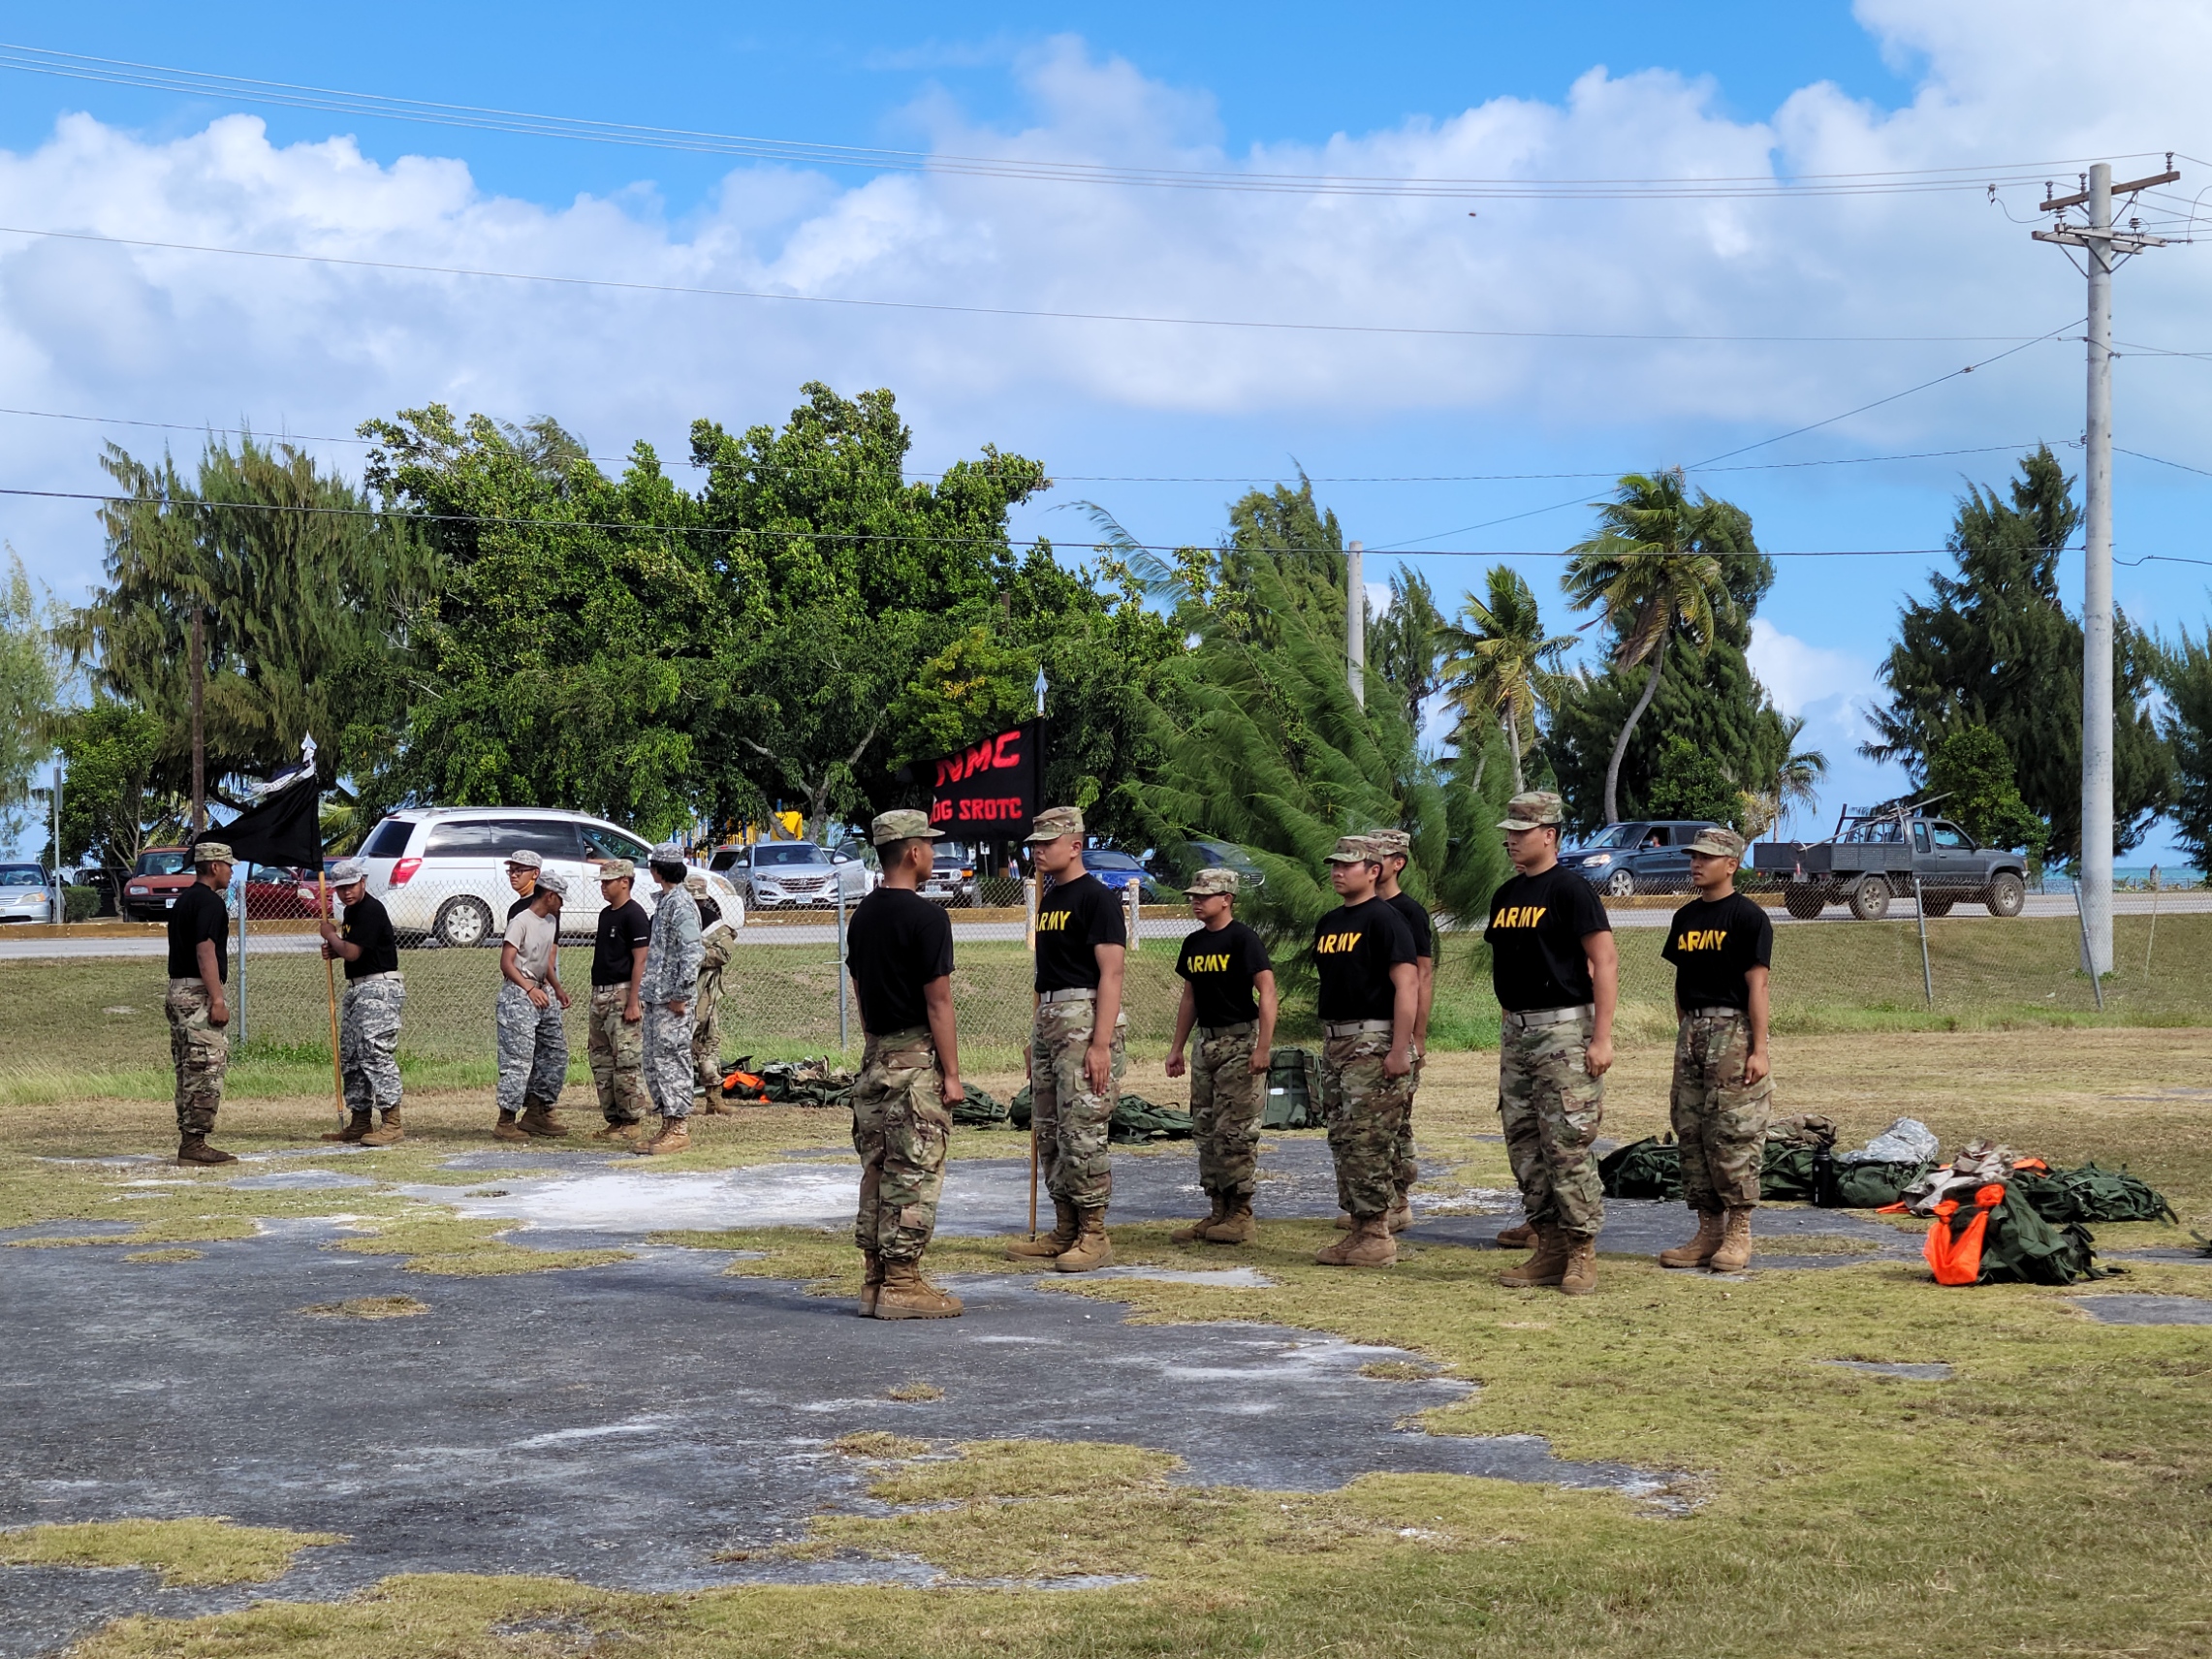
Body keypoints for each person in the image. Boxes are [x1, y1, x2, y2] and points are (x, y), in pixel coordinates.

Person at [1484, 791, 1618, 1296]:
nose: (1512, 842)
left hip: (1564, 1029)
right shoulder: (1506, 895)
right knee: (1523, 1142)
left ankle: (1582, 1252)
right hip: (1517, 1031)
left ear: (1550, 835)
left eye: (1521, 833)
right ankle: (1548, 1246)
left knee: (1566, 1142)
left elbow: (1603, 961)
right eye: (1509, 834)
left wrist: (1600, 1037)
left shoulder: (1571, 891)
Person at [845, 809, 965, 1318]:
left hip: (876, 1057)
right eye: (930, 846)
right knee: (913, 1168)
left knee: (878, 1165)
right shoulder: (927, 918)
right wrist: (953, 1074)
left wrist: (875, 1039)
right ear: (913, 852)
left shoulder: (863, 915)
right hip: (914, 1060)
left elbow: (858, 986)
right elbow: (938, 1002)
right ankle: (901, 1282)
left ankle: (876, 1281)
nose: (933, 855)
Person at [1006, 806, 1125, 1272]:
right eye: (1034, 844)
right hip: (1052, 1018)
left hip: (1084, 1015)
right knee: (1049, 1128)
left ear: (1075, 844)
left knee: (1084, 1129)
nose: (1037, 851)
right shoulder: (1050, 898)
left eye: (1046, 843)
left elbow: (1111, 973)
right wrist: (1035, 1032)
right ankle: (1064, 1227)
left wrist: (1099, 1043)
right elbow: (1044, 975)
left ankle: (1093, 1233)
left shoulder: (1096, 898)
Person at [1658, 827, 1773, 1273]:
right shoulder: (1684, 918)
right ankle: (1707, 1229)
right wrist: (1686, 1029)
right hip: (1693, 1030)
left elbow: (1757, 984)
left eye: (1706, 857)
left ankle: (1738, 1231)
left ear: (1731, 864)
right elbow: (1680, 982)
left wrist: (1758, 1049)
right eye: (1693, 857)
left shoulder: (1748, 917)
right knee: (1691, 1127)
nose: (1696, 863)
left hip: (1733, 1028)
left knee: (1732, 1129)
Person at [1311, 836, 1419, 1268]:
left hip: (1372, 1040)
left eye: (1348, 865)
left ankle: (1377, 1234)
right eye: (1334, 865)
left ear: (1374, 871)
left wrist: (1399, 1048)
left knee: (1369, 1139)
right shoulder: (1329, 922)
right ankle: (1359, 1228)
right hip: (1337, 1041)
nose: (1338, 871)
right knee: (1343, 1137)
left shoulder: (1386, 920)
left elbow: (1407, 985)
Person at [1163, 867, 1277, 1244]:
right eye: (1193, 896)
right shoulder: (1194, 944)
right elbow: (1190, 998)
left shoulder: (1244, 939)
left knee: (1236, 1131)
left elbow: (1267, 994)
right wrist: (1177, 1048)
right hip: (1206, 1044)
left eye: (1204, 896)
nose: (1196, 901)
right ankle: (1218, 1211)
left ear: (1226, 899)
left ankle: (1241, 1213)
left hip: (1239, 1041)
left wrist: (1262, 1048)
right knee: (1207, 1129)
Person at [1367, 828, 1433, 1234]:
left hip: (1397, 1029)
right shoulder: (1360, 910)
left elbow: (1421, 976)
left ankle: (1399, 1200)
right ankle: (1376, 1202)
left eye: (1381, 855)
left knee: (1396, 1118)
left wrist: (1416, 1037)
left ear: (1397, 863)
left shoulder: (1409, 912)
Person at [318, 858, 405, 1146]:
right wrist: (335, 948)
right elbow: (351, 951)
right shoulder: (352, 913)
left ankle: (392, 1122)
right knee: (353, 1057)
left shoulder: (370, 910)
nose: (346, 892)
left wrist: (331, 935)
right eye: (340, 888)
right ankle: (360, 1121)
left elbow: (354, 953)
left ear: (363, 882)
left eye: (351, 886)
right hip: (358, 989)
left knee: (375, 1053)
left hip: (378, 988)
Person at [167, 840, 237, 1165]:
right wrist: (217, 998)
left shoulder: (184, 901)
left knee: (188, 1066)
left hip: (178, 990)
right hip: (197, 993)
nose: (231, 871)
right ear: (213, 867)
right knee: (206, 1065)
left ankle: (189, 1138)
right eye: (228, 865)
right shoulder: (209, 902)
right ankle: (194, 1144)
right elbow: (204, 950)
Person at [635, 844, 703, 1155]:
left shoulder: (681, 905)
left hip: (673, 1000)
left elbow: (693, 952)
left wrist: (681, 993)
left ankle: (679, 1127)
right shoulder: (665, 902)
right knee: (654, 1060)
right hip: (658, 998)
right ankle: (667, 1122)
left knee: (672, 1059)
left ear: (658, 870)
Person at [495, 870, 572, 1143]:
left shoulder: (550, 921)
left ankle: (538, 1110)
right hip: (520, 992)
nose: (562, 904)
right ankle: (506, 1120)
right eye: (560, 898)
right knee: (519, 1058)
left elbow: (545, 962)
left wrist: (557, 988)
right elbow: (506, 963)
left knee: (556, 1052)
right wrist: (529, 989)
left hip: (542, 989)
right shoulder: (521, 921)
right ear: (550, 895)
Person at [585, 859, 651, 1143]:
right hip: (600, 993)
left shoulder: (634, 915)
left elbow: (641, 960)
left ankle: (632, 1120)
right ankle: (613, 1119)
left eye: (608, 881)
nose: (603, 886)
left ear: (624, 881)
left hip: (623, 992)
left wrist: (633, 1000)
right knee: (601, 1058)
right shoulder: (605, 915)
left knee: (625, 1059)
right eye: (601, 882)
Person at [686, 871, 740, 1113]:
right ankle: (673, 1100)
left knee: (708, 1043)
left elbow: (725, 953)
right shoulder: (669, 920)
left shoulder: (711, 921)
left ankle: (714, 1099)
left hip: (706, 993)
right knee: (678, 1046)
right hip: (678, 994)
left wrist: (695, 957)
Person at [504, 850, 543, 921]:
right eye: (511, 870)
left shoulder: (540, 907)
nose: (513, 875)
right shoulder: (514, 907)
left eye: (519, 871)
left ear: (535, 874)